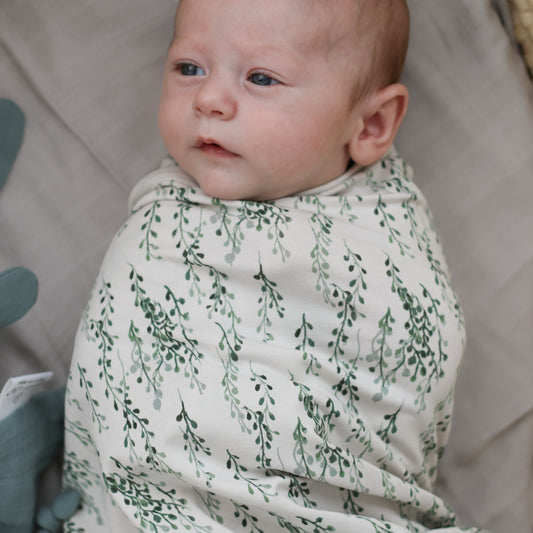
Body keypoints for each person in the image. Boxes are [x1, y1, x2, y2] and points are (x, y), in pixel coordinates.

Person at [63, 1, 483, 531]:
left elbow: (416, 348)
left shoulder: (382, 236)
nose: (209, 99)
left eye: (261, 78)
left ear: (371, 123)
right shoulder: (167, 228)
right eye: (188, 68)